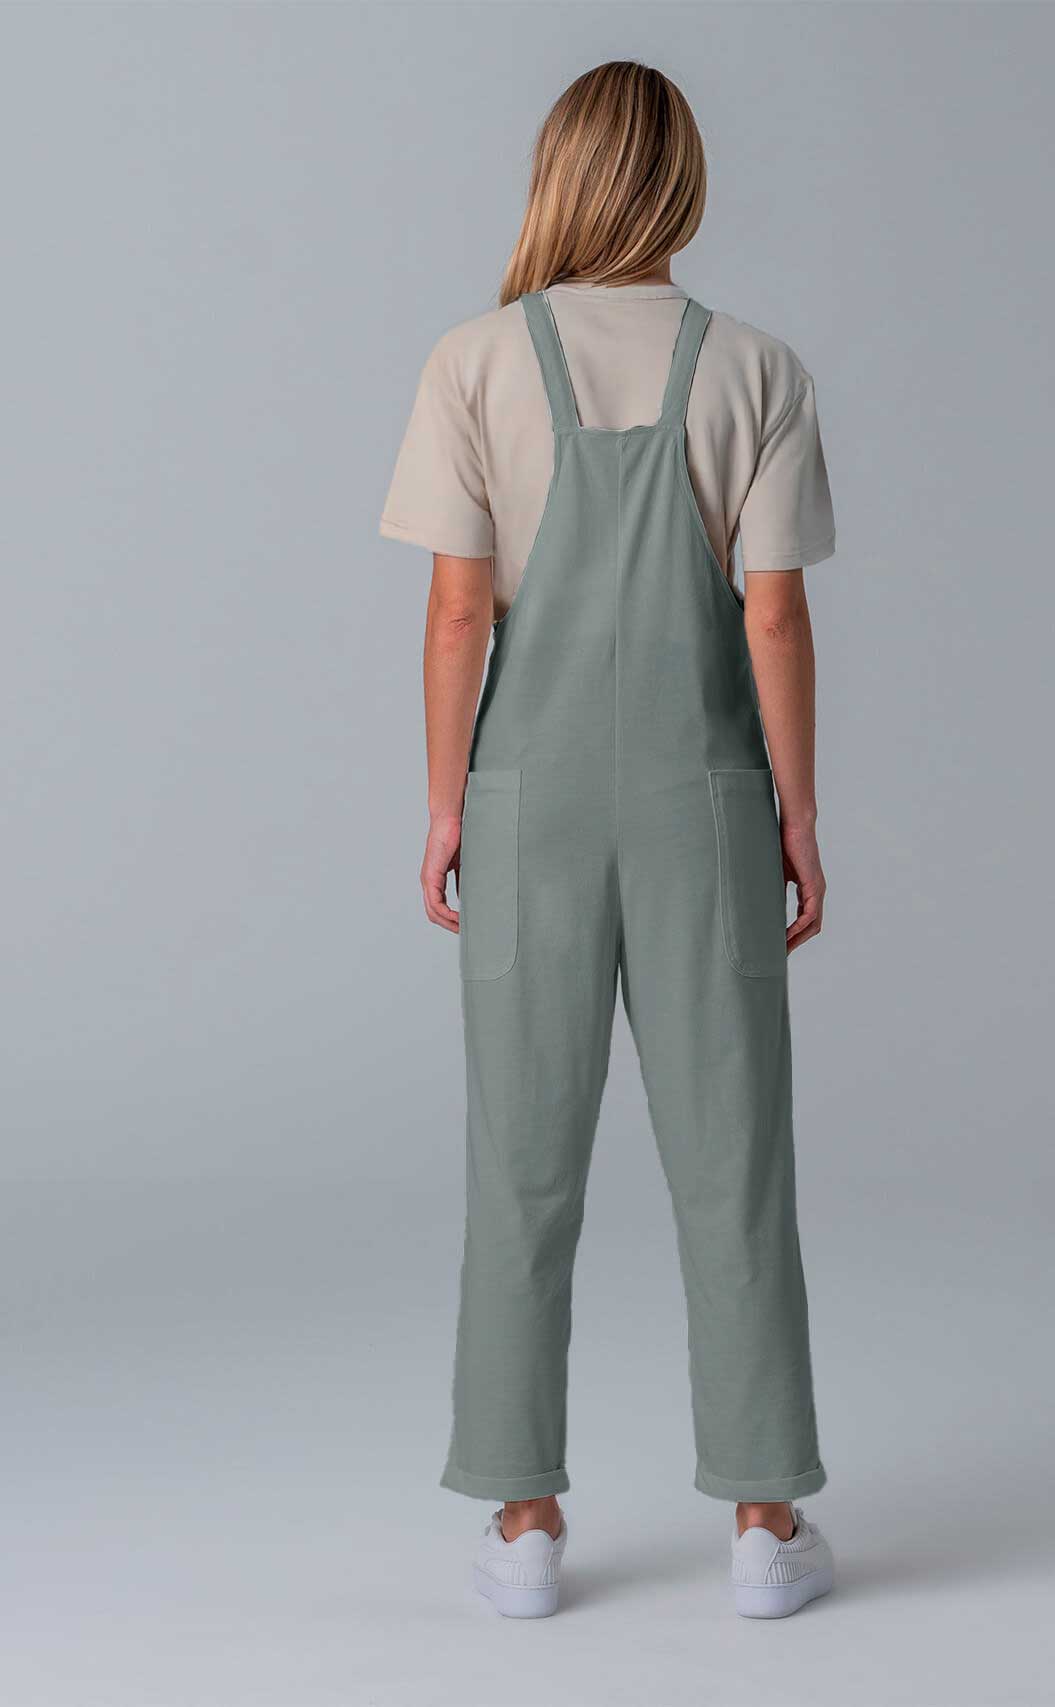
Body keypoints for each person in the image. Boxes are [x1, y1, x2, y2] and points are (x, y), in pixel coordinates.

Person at [381, 60, 836, 1619]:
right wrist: (797, 813)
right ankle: (765, 1525)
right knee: (735, 1162)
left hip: (532, 802)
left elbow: (458, 613)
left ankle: (523, 1528)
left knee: (520, 1164)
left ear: (559, 174)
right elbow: (772, 618)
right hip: (707, 799)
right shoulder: (757, 369)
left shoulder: (473, 361)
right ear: (682, 179)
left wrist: (447, 804)